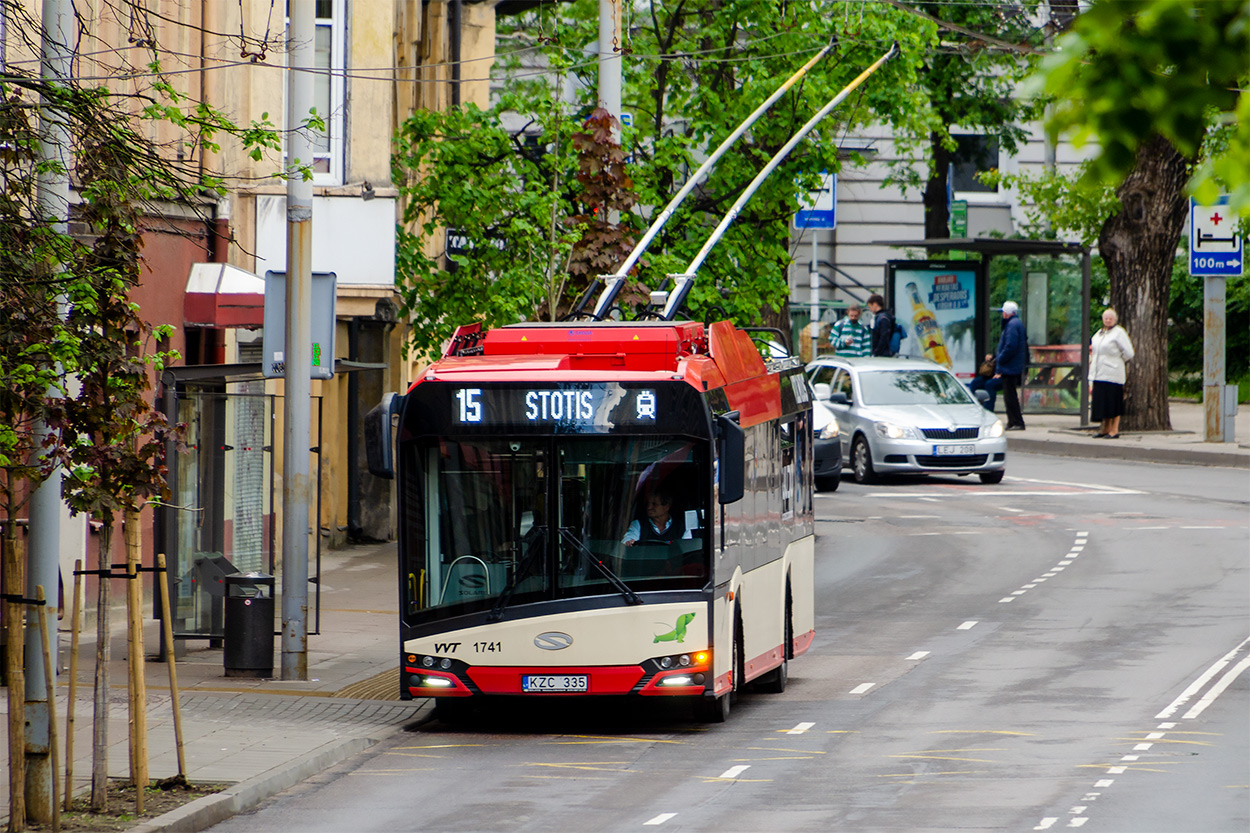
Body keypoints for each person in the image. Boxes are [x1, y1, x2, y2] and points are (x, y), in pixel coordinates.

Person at [1089, 307, 1135, 438]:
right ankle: (1104, 428)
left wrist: (1116, 361)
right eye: (1105, 318)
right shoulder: (1100, 332)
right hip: (1099, 373)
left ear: (1115, 319)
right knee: (1102, 402)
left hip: (1113, 373)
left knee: (1113, 402)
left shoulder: (1119, 333)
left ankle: (1114, 430)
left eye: (1110, 318)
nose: (1108, 320)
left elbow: (1129, 353)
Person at [988, 300, 1027, 430]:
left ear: (1007, 313)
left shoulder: (1011, 325)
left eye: (1003, 312)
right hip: (1012, 366)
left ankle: (1016, 422)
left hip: (1010, 367)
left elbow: (1010, 346)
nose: (1002, 314)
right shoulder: (1016, 324)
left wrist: (1000, 359)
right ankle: (1013, 421)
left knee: (1010, 396)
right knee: (1009, 395)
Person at [623, 487, 690, 545]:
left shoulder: (682, 527)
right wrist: (629, 542)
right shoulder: (638, 524)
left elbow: (687, 549)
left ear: (666, 506)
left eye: (654, 504)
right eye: (648, 503)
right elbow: (628, 541)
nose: (649, 507)